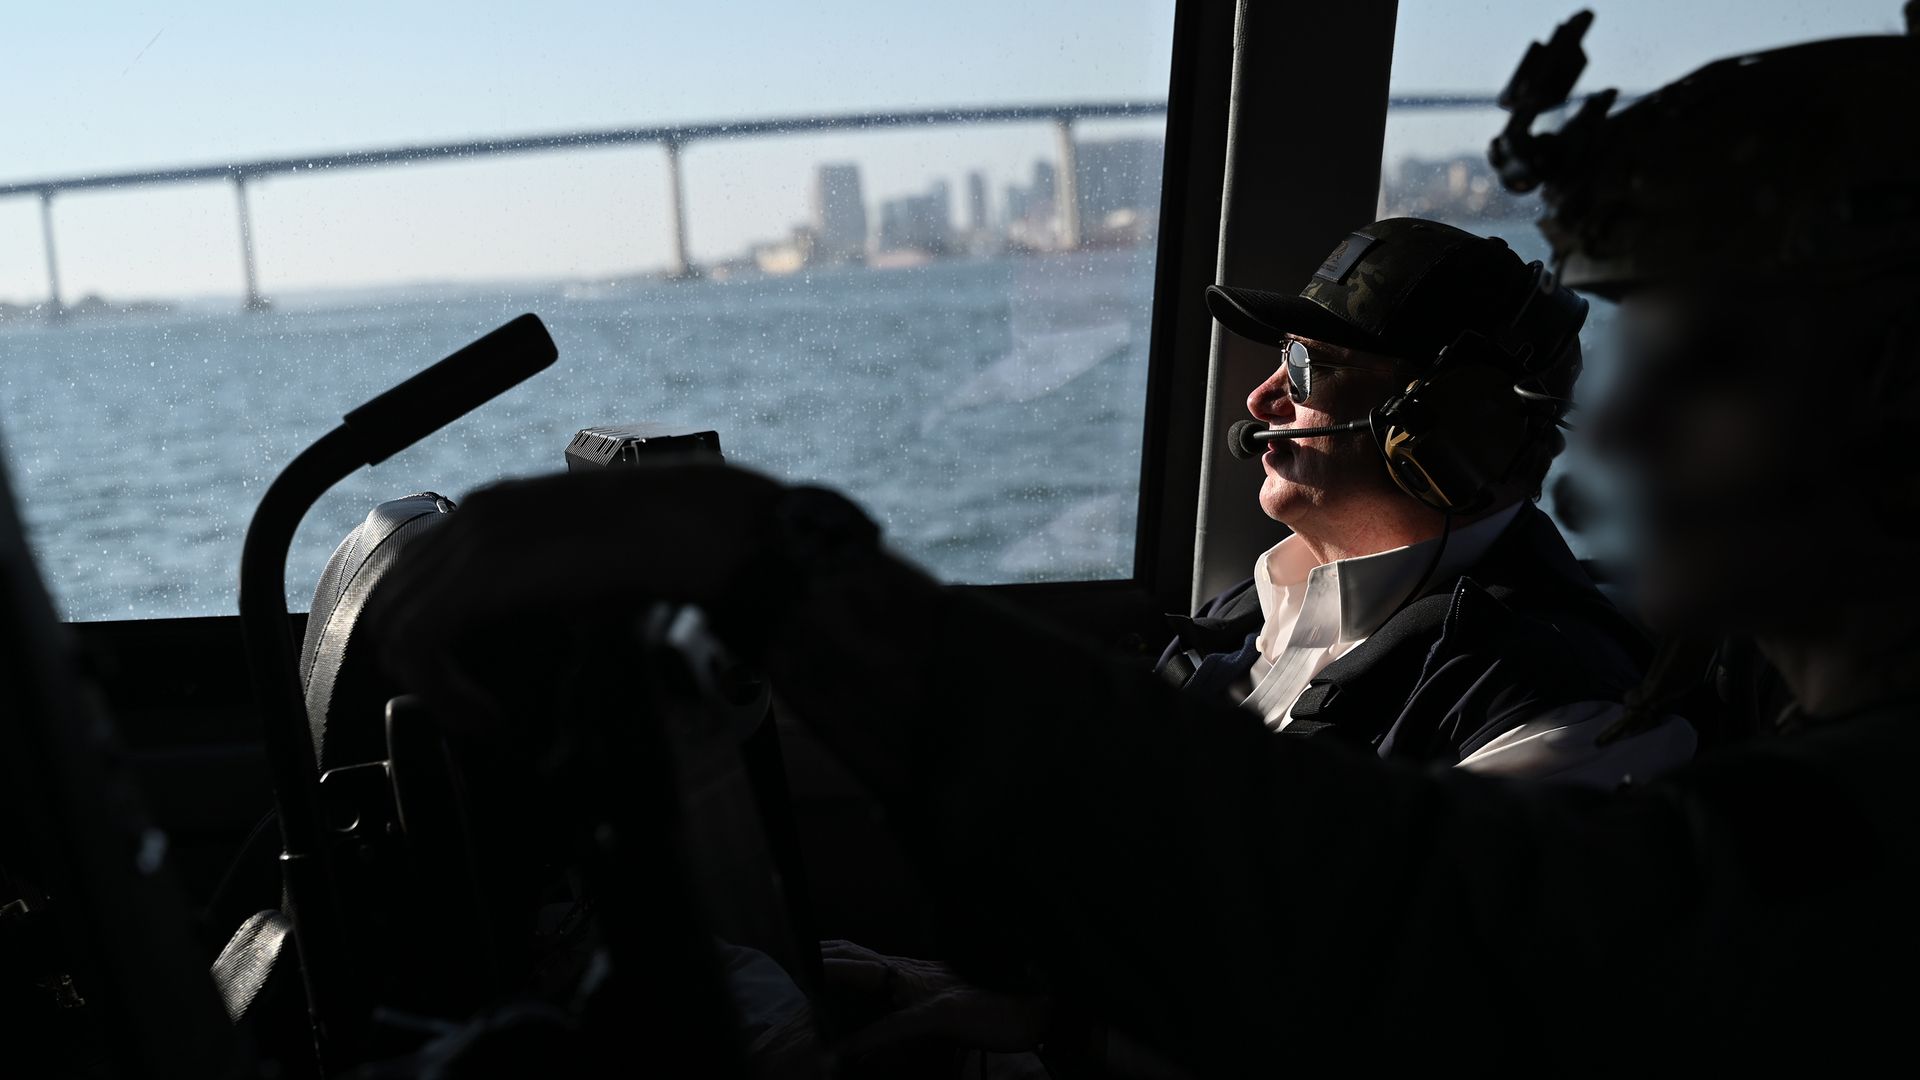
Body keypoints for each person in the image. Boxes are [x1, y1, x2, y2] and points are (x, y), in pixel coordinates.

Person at [361, 11, 1920, 1069]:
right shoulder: (1267, 619)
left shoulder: (1643, 749)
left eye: (1706, 368)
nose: (1630, 437)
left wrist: (773, 568)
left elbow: (1383, 934)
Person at [1161, 217, 1691, 782]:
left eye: (1302, 366)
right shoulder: (1251, 604)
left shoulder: (1559, 707)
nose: (1262, 399)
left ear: (1452, 420)